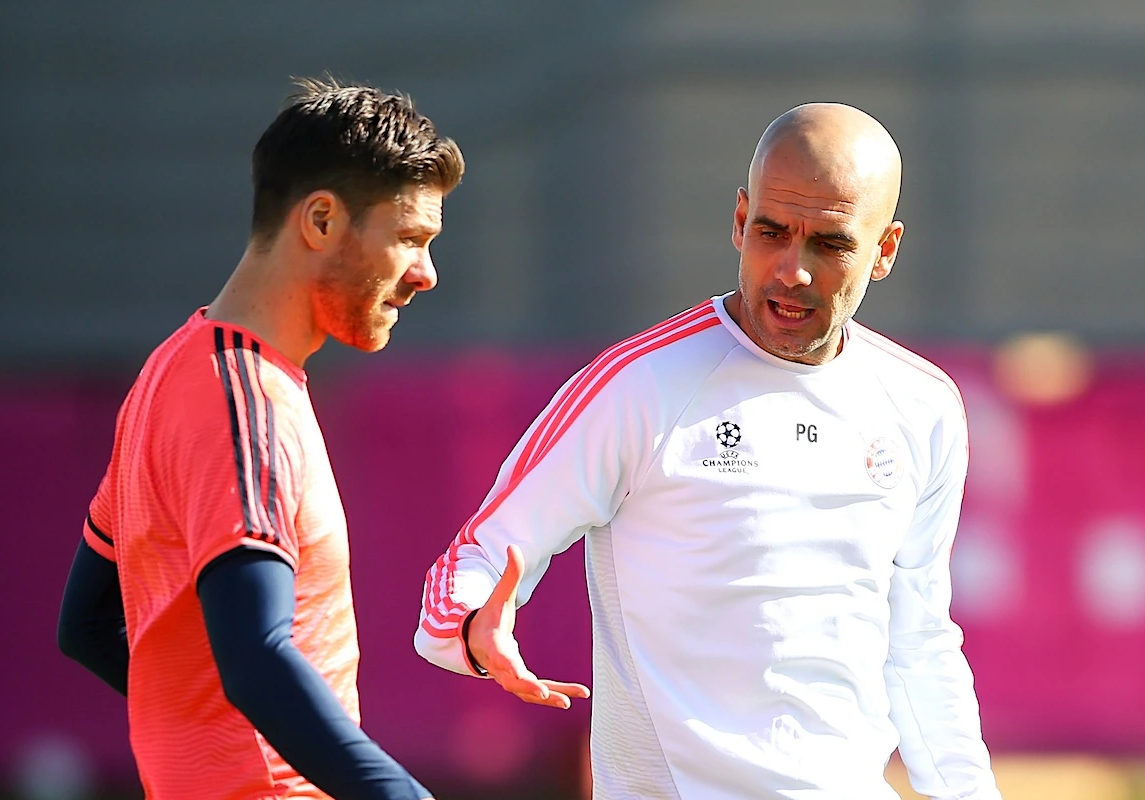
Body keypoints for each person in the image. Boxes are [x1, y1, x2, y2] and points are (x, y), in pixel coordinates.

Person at [415, 103, 1002, 799]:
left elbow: (920, 640)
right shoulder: (637, 384)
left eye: (831, 244)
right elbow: (477, 556)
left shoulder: (923, 405)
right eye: (772, 232)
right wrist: (473, 625)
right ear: (739, 220)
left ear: (885, 250)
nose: (793, 271)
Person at [57, 77, 463, 800]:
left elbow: (87, 626)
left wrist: (203, 735)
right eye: (409, 238)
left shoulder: (171, 372)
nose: (426, 274)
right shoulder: (246, 401)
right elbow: (256, 657)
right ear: (321, 220)